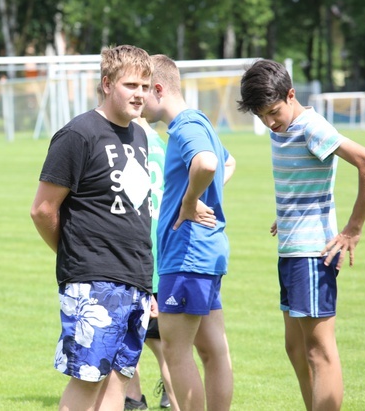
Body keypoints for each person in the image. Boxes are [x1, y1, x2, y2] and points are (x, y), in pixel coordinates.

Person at [237, 59, 365, 411]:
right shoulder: (284, 128)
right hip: (290, 249)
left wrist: (353, 229)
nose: (270, 123)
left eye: (273, 112)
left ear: (291, 95)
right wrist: (287, 212)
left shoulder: (310, 126)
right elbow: (305, 176)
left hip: (310, 255)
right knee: (295, 348)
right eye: (261, 116)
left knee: (319, 351)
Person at [30, 45, 154, 411]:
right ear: (106, 84)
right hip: (94, 282)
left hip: (136, 279)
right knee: (87, 383)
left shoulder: (140, 136)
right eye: (130, 84)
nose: (140, 94)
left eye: (145, 86)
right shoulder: (78, 135)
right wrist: (77, 255)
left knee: (119, 385)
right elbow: (42, 210)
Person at [146, 54, 236, 411]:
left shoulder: (184, 127)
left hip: (185, 254)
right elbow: (229, 161)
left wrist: (189, 201)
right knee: (213, 351)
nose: (138, 101)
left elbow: (209, 163)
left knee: (175, 351)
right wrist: (205, 193)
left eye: (142, 90)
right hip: (207, 252)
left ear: (158, 88)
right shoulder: (202, 123)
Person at [125, 117, 179, 410]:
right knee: (163, 342)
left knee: (124, 335)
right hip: (164, 252)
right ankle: (171, 395)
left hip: (135, 252)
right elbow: (228, 162)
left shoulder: (126, 144)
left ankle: (132, 399)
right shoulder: (163, 143)